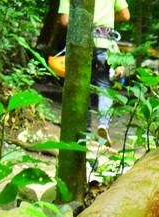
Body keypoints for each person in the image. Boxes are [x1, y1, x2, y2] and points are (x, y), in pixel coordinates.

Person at [58, 0, 130, 147]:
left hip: (81, 45)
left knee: (83, 88)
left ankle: (86, 129)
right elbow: (125, 15)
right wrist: (107, 19)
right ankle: (103, 124)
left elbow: (65, 21)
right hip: (105, 43)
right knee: (104, 86)